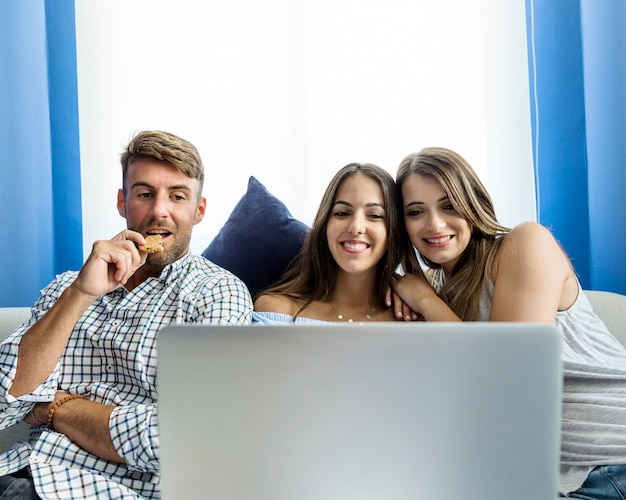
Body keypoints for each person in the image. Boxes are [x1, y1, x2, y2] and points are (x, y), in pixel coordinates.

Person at [0, 130, 253, 499]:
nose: (159, 210)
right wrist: (79, 295)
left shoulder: (218, 295)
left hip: (106, 490)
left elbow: (183, 440)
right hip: (17, 469)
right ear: (123, 202)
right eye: (144, 193)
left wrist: (55, 407)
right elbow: (4, 405)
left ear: (199, 211)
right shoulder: (67, 287)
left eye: (177, 196)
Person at [390, 146, 626, 498]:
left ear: (473, 203)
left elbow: (508, 380)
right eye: (416, 211)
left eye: (449, 205)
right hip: (551, 480)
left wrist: (425, 300)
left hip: (613, 462)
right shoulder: (433, 287)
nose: (434, 224)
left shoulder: (523, 244)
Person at [253, 163, 403, 323]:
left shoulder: (410, 317)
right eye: (342, 213)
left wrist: (423, 299)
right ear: (325, 225)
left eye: (374, 215)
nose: (356, 227)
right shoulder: (278, 309)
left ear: (393, 230)